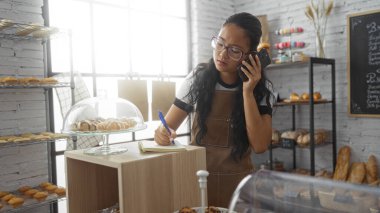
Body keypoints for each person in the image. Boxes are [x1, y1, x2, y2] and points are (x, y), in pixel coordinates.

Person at [154, 12, 273, 208]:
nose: (222, 54)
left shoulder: (262, 90)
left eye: (234, 50)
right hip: (197, 179)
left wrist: (247, 91)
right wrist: (163, 134)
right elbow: (164, 129)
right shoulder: (197, 79)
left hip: (238, 187)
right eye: (220, 43)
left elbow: (260, 145)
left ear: (251, 56)